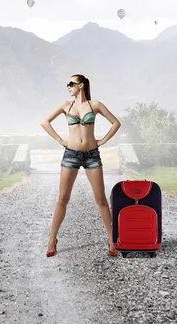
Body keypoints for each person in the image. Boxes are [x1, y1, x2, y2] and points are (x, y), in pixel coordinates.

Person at [39, 74, 121, 257]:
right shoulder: (65, 106)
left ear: (81, 86)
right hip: (71, 155)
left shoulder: (95, 105)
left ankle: (111, 238)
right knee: (62, 199)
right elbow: (44, 122)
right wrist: (61, 140)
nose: (68, 87)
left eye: (71, 84)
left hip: (92, 155)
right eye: (68, 84)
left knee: (100, 199)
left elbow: (116, 123)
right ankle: (52, 238)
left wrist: (103, 141)